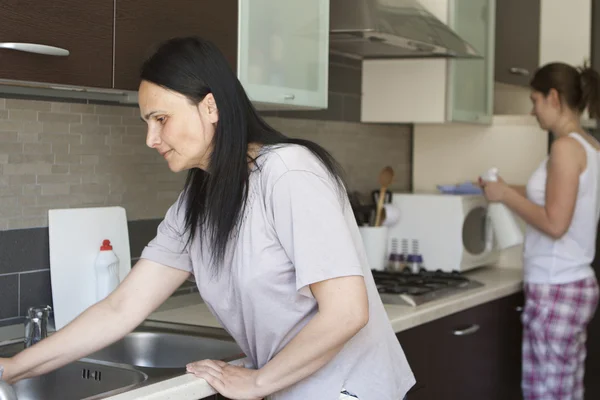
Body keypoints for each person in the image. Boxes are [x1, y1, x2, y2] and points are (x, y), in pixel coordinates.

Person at [0, 37, 415, 400]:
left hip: (348, 389)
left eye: (161, 119)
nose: (151, 139)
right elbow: (120, 309)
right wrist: (11, 369)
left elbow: (347, 312)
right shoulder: (197, 202)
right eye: (147, 123)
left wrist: (257, 382)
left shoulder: (289, 173)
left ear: (210, 106)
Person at [479, 62, 600, 400]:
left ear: (553, 97)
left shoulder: (564, 148)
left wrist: (504, 195)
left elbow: (555, 223)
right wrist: (502, 187)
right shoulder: (588, 145)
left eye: (534, 100)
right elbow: (556, 195)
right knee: (564, 390)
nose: (532, 110)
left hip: (556, 286)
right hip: (572, 284)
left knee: (546, 394)